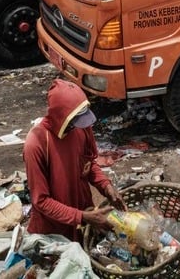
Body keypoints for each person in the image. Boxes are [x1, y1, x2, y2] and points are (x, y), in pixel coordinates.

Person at [23, 79, 125, 240]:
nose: (78, 125)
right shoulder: (37, 143)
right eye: (73, 121)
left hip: (84, 214)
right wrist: (82, 216)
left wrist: (106, 187)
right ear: (60, 116)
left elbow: (89, 164)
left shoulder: (81, 128)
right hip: (55, 231)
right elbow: (41, 201)